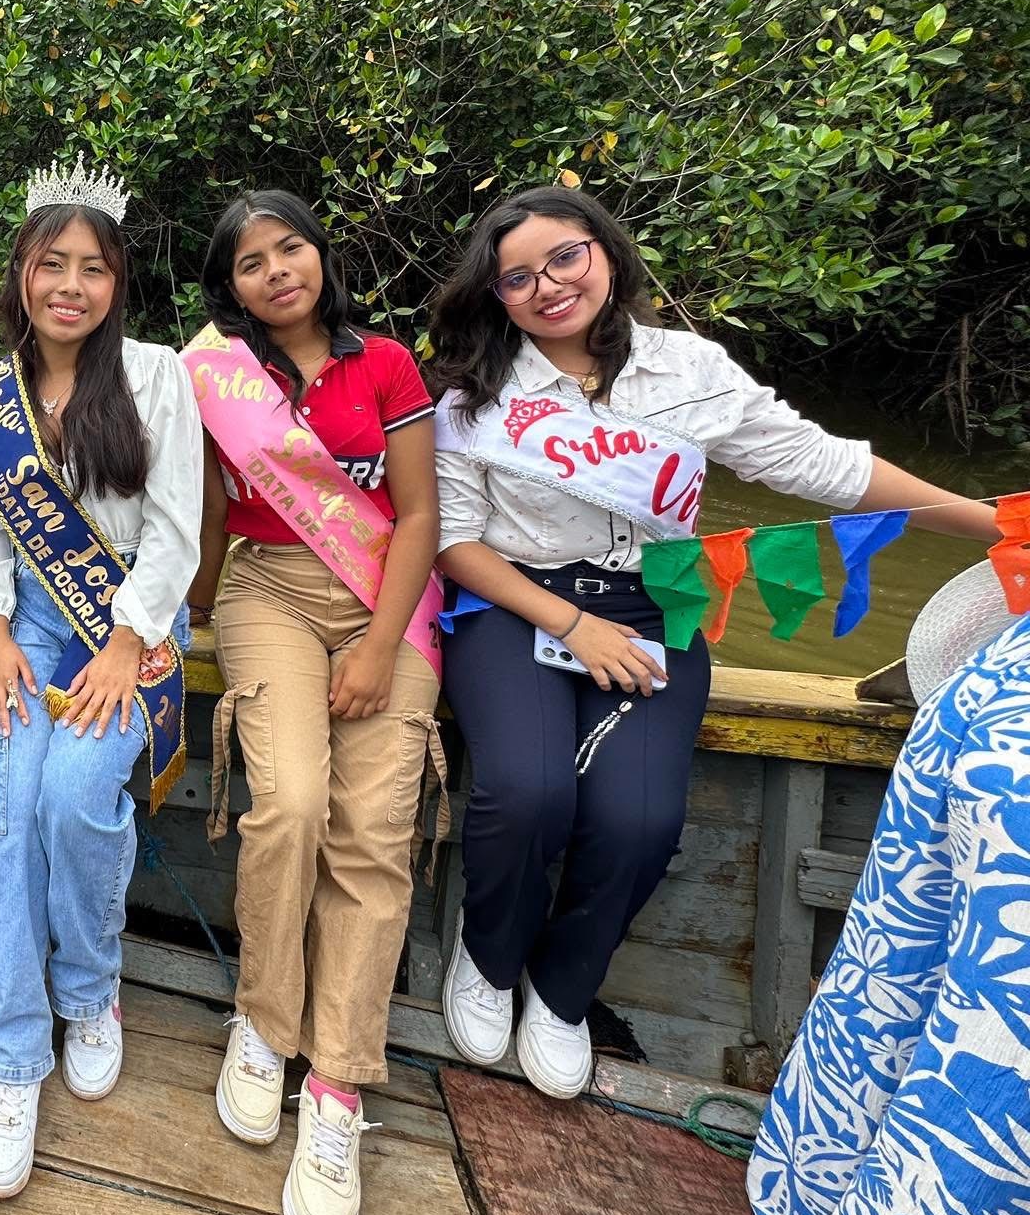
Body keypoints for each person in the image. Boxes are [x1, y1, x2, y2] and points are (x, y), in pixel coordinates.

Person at [427, 184, 998, 1100]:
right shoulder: (474, 396)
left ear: (605, 250)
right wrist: (574, 623)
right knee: (526, 791)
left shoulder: (692, 370)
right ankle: (488, 959)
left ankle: (564, 989)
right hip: (516, 602)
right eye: (517, 278)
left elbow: (827, 467)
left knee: (642, 819)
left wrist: (998, 526)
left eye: (565, 257)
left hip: (661, 603)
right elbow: (456, 543)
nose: (549, 286)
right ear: (495, 297)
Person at [184, 189, 444, 1215]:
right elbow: (208, 512)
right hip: (268, 591)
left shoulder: (384, 363)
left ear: (320, 257)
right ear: (231, 288)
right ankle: (262, 1021)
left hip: (388, 600)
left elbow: (420, 515)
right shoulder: (211, 376)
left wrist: (379, 648)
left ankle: (335, 1084)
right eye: (251, 263)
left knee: (372, 833)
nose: (277, 271)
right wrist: (184, 609)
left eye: (290, 248)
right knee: (289, 803)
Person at [0, 158, 202, 1200]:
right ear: (20, 272)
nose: (70, 285)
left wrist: (125, 642)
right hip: (29, 626)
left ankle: (89, 990)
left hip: (131, 619)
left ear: (116, 281)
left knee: (71, 795)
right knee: (13, 809)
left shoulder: (155, 374)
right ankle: (12, 1055)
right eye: (51, 263)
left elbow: (178, 531)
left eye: (92, 268)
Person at [750, 563, 1030, 1215]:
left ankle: (823, 1196)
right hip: (1007, 738)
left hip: (993, 706)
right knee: (991, 1044)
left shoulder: (985, 668)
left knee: (911, 977)